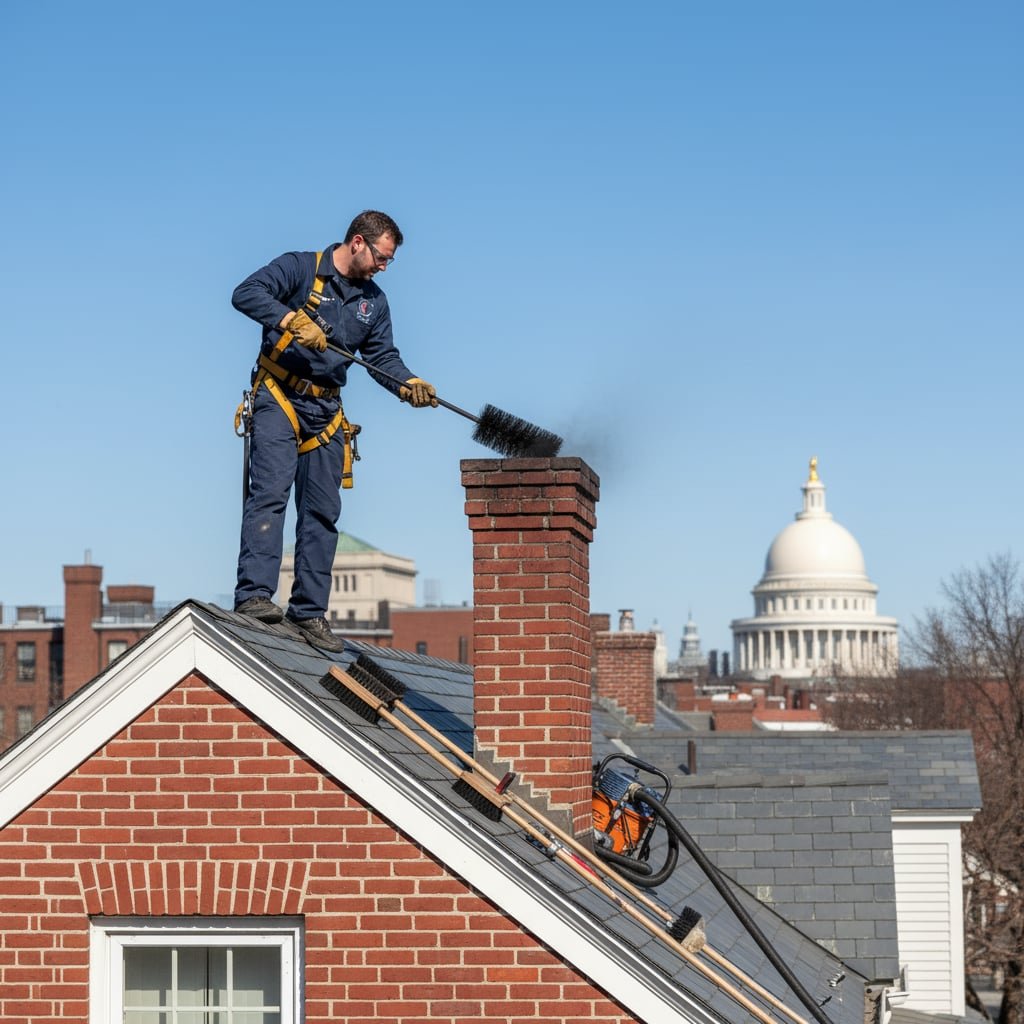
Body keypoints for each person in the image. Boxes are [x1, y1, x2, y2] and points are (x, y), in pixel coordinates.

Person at [231, 210, 436, 652]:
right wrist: (289, 320)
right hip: (279, 396)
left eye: (390, 261)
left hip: (326, 412)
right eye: (382, 257)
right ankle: (254, 596)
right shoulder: (300, 268)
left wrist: (408, 384)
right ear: (358, 242)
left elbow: (382, 358)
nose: (384, 266)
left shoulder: (374, 303)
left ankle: (308, 612)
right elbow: (245, 293)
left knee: (323, 512)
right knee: (269, 493)